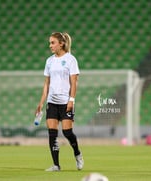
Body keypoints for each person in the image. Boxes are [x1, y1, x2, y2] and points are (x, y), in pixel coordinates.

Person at [35, 32, 84, 171]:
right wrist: (41, 103)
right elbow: (46, 83)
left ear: (61, 43)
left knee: (68, 133)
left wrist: (71, 100)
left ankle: (78, 154)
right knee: (52, 133)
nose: (50, 45)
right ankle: (56, 165)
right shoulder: (49, 61)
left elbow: (74, 82)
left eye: (52, 43)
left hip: (65, 102)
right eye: (50, 43)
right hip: (52, 101)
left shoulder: (70, 60)